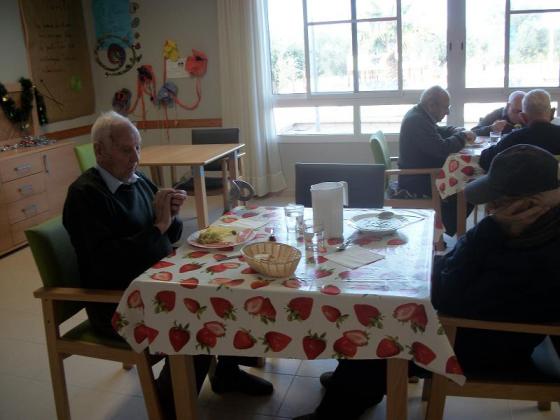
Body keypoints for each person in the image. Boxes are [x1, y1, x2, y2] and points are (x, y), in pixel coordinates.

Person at [293, 144, 560, 420]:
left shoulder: (538, 256)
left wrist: (486, 230)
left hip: (486, 345)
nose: (490, 208)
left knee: (377, 323)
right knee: (382, 296)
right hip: (486, 327)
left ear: (530, 204)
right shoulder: (530, 230)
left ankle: (337, 411)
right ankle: (360, 385)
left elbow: (450, 299)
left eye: (498, 202)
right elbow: (456, 272)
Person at [63, 111, 272, 418]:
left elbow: (168, 235)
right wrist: (159, 226)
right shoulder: (85, 196)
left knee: (226, 285)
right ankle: (169, 408)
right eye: (126, 150)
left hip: (157, 281)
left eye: (138, 147)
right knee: (196, 317)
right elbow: (107, 262)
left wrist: (170, 218)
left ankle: (226, 373)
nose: (136, 158)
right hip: (122, 301)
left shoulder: (137, 180)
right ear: (100, 151)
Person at [398, 85, 476, 236]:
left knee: (468, 183)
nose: (448, 112)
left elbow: (439, 131)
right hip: (417, 180)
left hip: (422, 175)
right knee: (469, 189)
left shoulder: (420, 115)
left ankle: (439, 231)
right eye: (446, 107)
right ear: (431, 105)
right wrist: (462, 137)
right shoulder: (417, 121)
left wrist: (458, 130)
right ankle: (439, 232)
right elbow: (441, 149)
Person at [479, 89, 560, 172]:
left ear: (523, 117)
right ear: (552, 112)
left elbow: (484, 160)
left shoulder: (514, 138)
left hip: (518, 180)